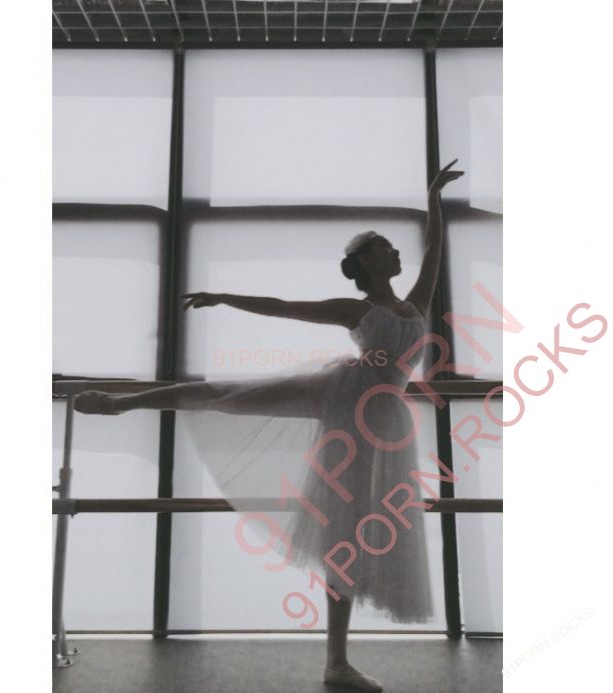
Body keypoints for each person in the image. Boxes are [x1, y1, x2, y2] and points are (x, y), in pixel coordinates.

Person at [75, 160, 464, 691]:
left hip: (386, 418)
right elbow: (282, 307)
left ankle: (336, 663)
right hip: (346, 398)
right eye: (384, 246)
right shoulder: (354, 311)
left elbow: (435, 248)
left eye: (394, 246)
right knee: (229, 395)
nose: (396, 250)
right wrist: (224, 298)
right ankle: (124, 403)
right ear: (364, 262)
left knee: (353, 537)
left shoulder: (415, 304)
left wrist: (433, 197)